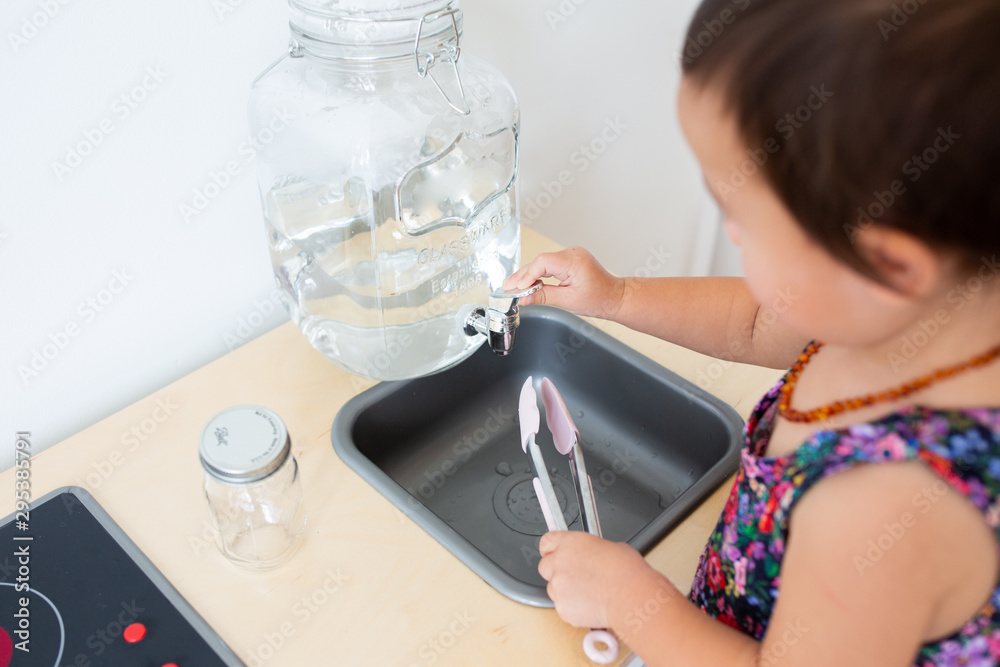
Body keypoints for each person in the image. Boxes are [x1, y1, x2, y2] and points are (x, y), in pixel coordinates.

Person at [503, 0, 1000, 664]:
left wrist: (632, 600)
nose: (730, 232)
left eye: (740, 214)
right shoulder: (917, 308)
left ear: (888, 262)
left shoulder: (885, 510)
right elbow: (761, 319)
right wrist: (617, 294)